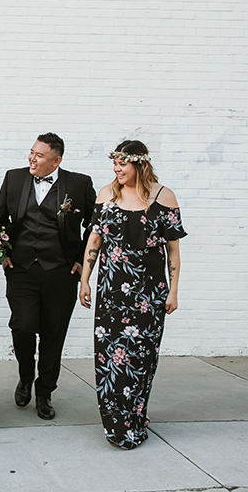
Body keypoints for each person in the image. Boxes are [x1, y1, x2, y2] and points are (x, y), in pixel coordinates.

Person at [79, 140, 185, 449]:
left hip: (149, 293)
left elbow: (173, 252)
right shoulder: (106, 196)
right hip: (111, 292)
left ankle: (136, 417)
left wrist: (174, 291)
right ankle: (115, 424)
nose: (117, 169)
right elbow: (94, 243)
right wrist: (85, 280)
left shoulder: (164, 198)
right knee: (111, 358)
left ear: (138, 164)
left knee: (141, 358)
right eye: (115, 164)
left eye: (122, 164)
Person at [0, 133, 95, 420]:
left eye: (39, 155)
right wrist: (3, 255)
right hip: (21, 269)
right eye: (31, 152)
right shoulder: (14, 178)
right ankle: (26, 377)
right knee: (23, 327)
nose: (31, 158)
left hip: (61, 272)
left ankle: (45, 391)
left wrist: (80, 261)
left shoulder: (79, 184)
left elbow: (95, 225)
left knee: (54, 334)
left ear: (56, 160)